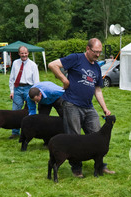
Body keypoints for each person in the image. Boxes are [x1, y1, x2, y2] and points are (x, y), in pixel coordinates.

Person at [48, 38, 114, 178]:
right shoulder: (76, 58)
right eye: (95, 52)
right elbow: (52, 65)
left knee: (98, 136)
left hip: (88, 107)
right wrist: (64, 80)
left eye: (100, 52)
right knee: (74, 138)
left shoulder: (96, 67)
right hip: (71, 104)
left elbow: (98, 90)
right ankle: (77, 169)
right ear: (88, 49)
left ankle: (100, 166)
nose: (98, 55)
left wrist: (104, 108)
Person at [8, 46, 39, 138]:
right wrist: (12, 91)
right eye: (22, 53)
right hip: (17, 88)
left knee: (31, 109)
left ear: (28, 53)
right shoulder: (15, 63)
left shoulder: (33, 65)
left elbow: (36, 81)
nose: (24, 55)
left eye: (25, 53)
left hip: (29, 88)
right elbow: (12, 78)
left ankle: (31, 131)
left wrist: (36, 94)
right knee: (15, 111)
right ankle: (15, 132)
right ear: (19, 54)